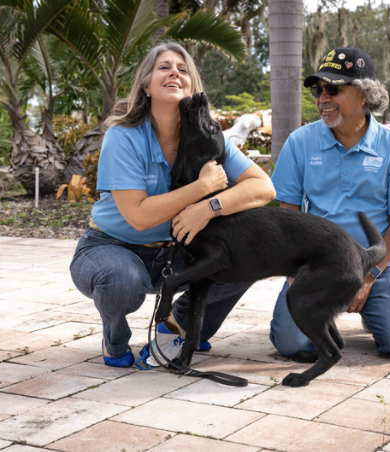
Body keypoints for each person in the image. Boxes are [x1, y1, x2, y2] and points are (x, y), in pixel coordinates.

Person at [70, 41, 276, 368]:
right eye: (164, 67)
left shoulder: (208, 136)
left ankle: (178, 327)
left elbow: (263, 187)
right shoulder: (123, 136)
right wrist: (201, 188)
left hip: (178, 250)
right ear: (146, 84)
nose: (174, 74)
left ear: (193, 86)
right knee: (121, 281)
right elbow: (138, 216)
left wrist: (208, 207)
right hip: (112, 246)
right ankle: (115, 336)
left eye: (183, 70)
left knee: (252, 252)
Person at [269, 47, 390, 360]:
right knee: (290, 344)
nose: (322, 98)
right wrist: (294, 276)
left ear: (364, 95)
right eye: (318, 89)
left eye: (334, 89)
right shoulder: (300, 142)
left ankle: (375, 310)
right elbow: (287, 216)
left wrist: (367, 278)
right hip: (317, 264)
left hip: (378, 264)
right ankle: (325, 316)